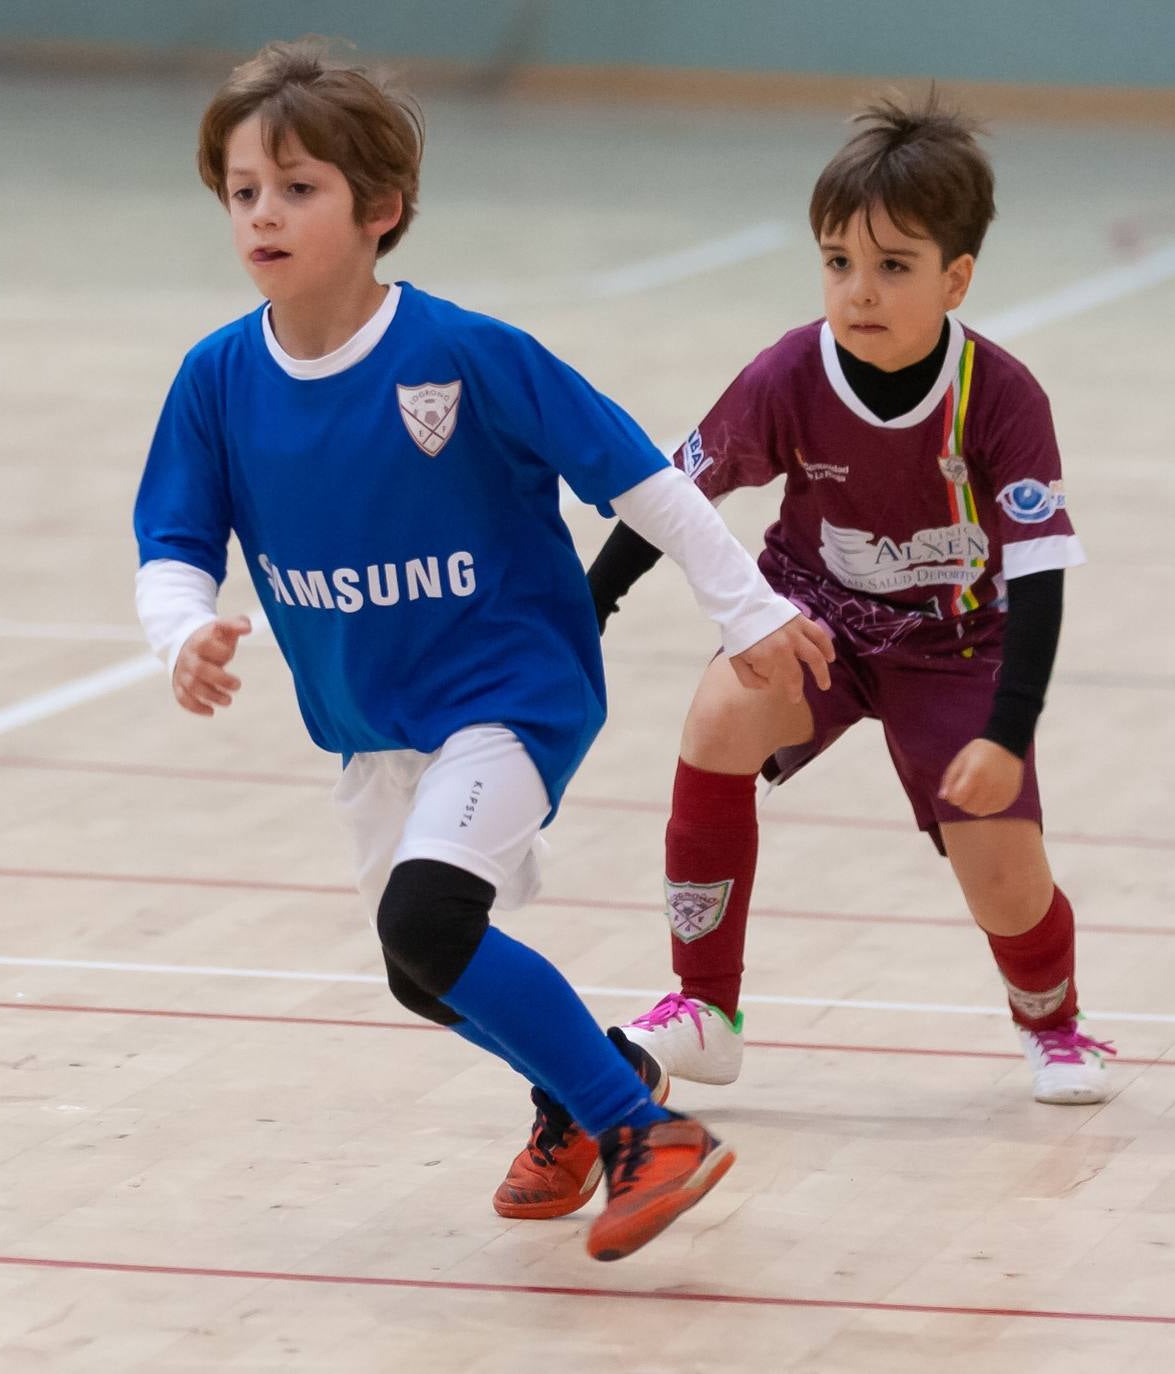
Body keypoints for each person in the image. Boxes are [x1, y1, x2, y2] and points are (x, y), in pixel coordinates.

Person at [131, 39, 832, 1260]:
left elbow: (641, 479)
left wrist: (748, 608)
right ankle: (592, 1083)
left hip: (513, 691)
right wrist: (184, 629)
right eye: (242, 191)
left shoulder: (464, 355)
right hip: (373, 722)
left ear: (381, 208)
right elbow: (172, 544)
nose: (262, 214)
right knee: (421, 968)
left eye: (297, 188)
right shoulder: (217, 380)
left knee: (430, 919)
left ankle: (644, 1132)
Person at [593, 92, 1113, 1106]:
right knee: (721, 714)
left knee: (1005, 882)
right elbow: (674, 495)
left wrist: (1007, 733)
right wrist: (589, 605)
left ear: (956, 277)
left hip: (959, 647)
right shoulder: (788, 373)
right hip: (814, 615)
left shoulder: (1002, 397)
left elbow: (1040, 575)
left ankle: (1052, 1023)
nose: (859, 290)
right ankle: (705, 1009)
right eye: (838, 261)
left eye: (893, 266)